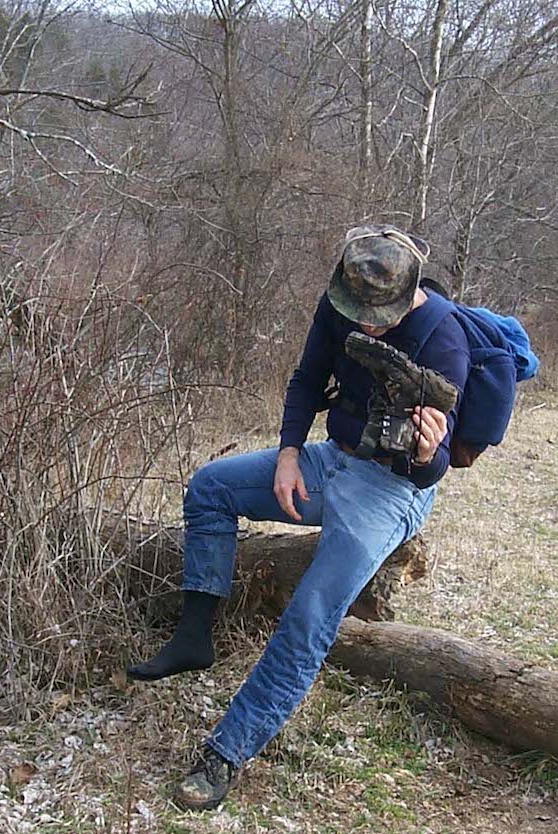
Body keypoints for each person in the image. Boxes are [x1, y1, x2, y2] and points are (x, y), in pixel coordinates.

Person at [127, 224, 471, 810]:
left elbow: (433, 467)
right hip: (328, 459)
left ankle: (226, 753)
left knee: (310, 613)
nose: (364, 323)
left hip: (391, 489)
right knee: (211, 487)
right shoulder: (341, 303)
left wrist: (423, 450)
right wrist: (289, 454)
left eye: (378, 315)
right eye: (357, 310)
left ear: (408, 293)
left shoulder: (445, 341)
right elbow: (308, 380)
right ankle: (192, 638)